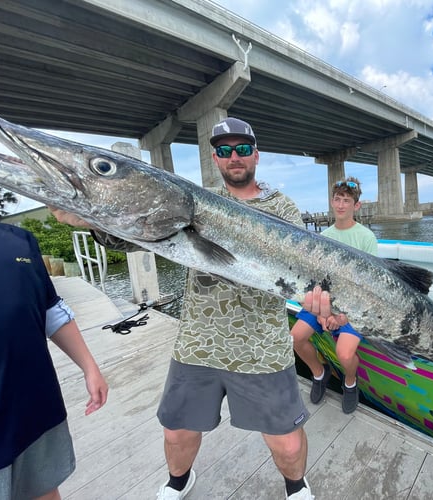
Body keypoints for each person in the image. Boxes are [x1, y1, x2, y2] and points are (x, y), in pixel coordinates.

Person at [52, 117, 313, 500]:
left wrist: (320, 299)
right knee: (177, 431)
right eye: (225, 151)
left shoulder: (281, 207)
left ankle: (296, 485)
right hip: (198, 341)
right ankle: (179, 480)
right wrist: (91, 218)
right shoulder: (191, 199)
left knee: (287, 443)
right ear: (215, 159)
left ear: (255, 154)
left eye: (242, 149)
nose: (234, 156)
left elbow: (304, 264)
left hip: (262, 346)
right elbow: (130, 238)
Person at [0, 130, 108, 500]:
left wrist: (89, 367)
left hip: (35, 410)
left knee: (46, 491)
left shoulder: (18, 240)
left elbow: (50, 309)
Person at [291, 177, 378, 414]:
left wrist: (343, 317)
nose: (341, 205)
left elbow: (369, 287)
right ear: (332, 202)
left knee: (344, 352)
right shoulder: (323, 237)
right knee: (297, 337)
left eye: (346, 200)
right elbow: (317, 278)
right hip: (322, 303)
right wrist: (321, 312)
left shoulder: (366, 238)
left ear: (356, 206)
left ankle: (350, 382)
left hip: (353, 307)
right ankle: (319, 373)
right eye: (337, 199)